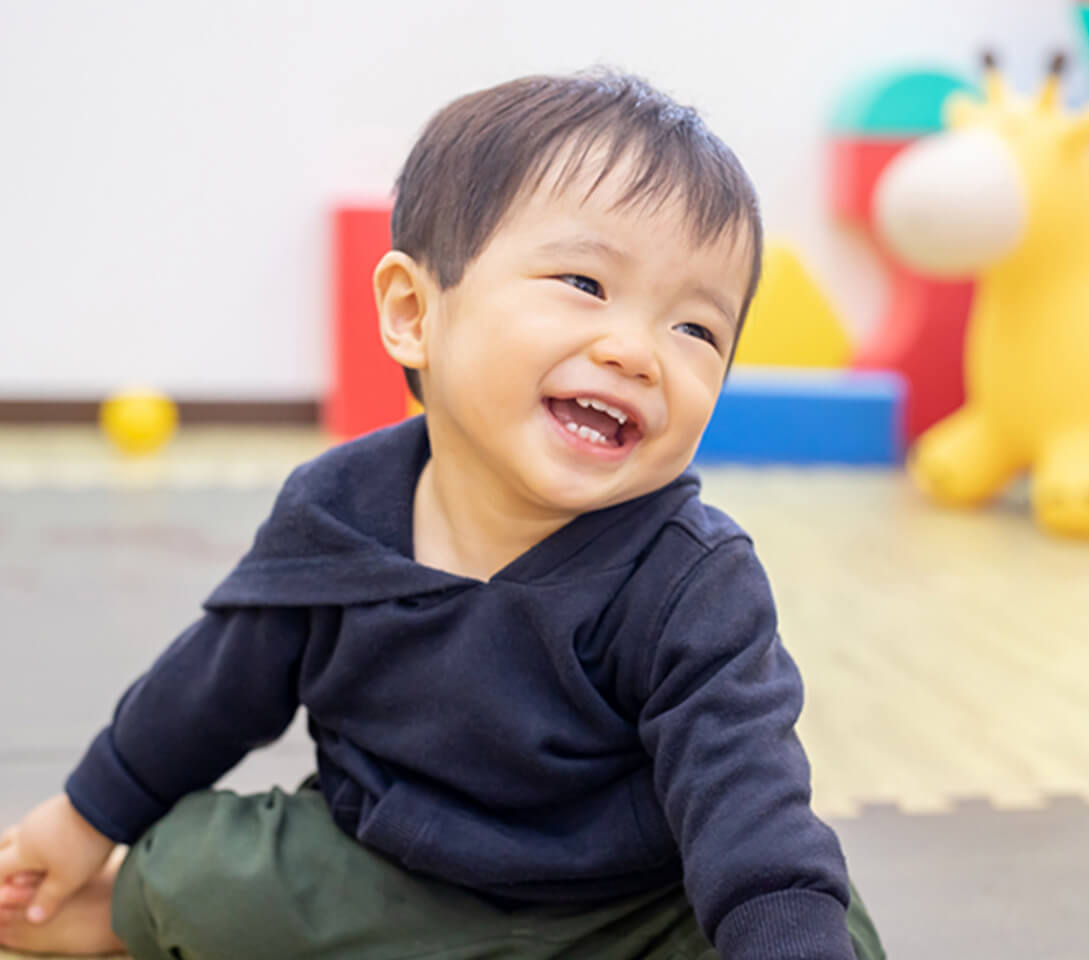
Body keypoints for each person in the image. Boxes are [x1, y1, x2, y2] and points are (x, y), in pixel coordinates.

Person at [0, 69, 885, 960]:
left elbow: (750, 807)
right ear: (413, 313)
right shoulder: (337, 514)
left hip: (626, 911)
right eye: (584, 281)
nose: (637, 352)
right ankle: (107, 910)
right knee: (193, 866)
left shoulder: (695, 578)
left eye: (696, 330)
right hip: (385, 885)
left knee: (819, 918)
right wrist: (81, 821)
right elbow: (206, 695)